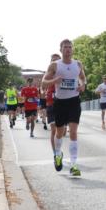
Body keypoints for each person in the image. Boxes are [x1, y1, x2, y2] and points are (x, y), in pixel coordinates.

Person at [41, 40, 86, 176]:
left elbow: (83, 78)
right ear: (61, 50)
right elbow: (43, 83)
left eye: (70, 47)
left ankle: (73, 165)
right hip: (60, 103)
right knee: (59, 133)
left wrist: (83, 85)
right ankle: (58, 154)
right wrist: (54, 81)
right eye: (65, 47)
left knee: (73, 132)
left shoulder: (77, 64)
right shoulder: (55, 65)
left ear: (72, 49)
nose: (68, 49)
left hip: (74, 101)